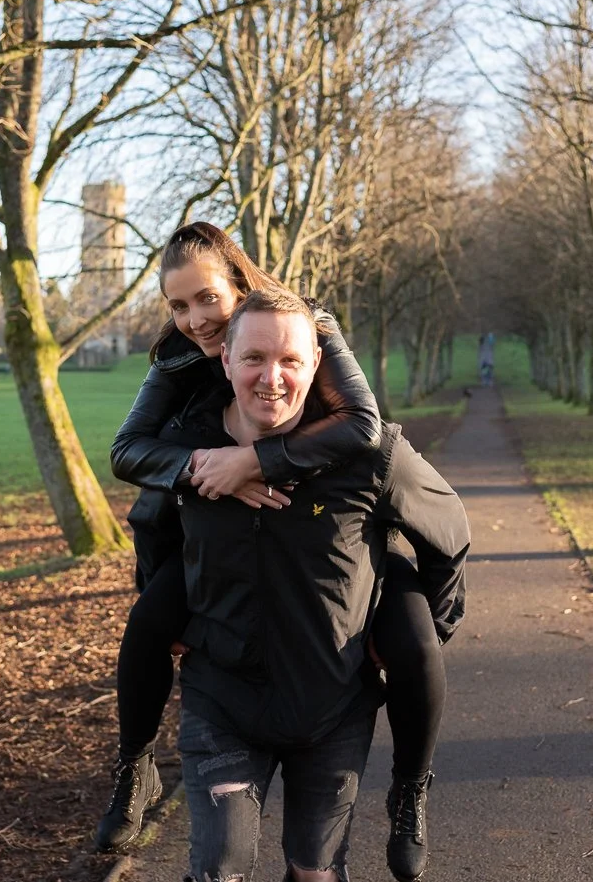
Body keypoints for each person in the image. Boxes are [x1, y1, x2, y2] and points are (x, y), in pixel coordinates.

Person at [101, 223, 450, 882]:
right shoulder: (176, 356)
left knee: (415, 639)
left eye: (207, 297)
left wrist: (259, 461)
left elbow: (362, 425)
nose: (195, 319)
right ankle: (135, 767)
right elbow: (128, 452)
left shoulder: (311, 327)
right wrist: (207, 465)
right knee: (149, 619)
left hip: (329, 518)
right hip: (207, 514)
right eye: (178, 305)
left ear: (241, 281)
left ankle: (411, 789)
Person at [167, 287, 469, 882]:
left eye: (290, 360)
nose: (271, 378)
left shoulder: (372, 454)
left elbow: (449, 532)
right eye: (253, 358)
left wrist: (422, 632)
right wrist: (170, 614)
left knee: (317, 872)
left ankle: (410, 791)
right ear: (225, 359)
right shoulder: (188, 448)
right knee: (220, 868)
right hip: (223, 701)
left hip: (333, 706)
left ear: (316, 364)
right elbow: (152, 533)